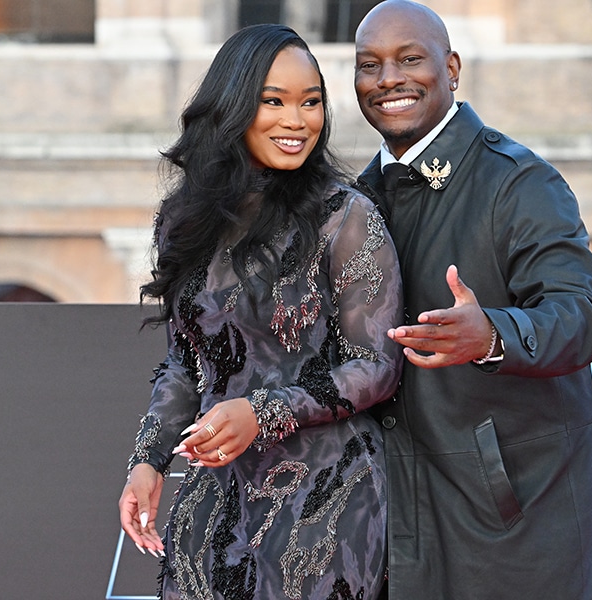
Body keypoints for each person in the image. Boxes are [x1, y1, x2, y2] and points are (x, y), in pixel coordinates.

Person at [118, 24, 403, 600]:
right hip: (217, 495)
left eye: (311, 102)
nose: (297, 121)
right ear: (234, 107)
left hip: (329, 497)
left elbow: (376, 365)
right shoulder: (187, 221)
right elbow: (185, 361)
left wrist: (263, 412)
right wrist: (148, 459)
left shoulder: (346, 217)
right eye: (273, 101)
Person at [352, 2, 592, 598]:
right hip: (395, 520)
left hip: (517, 526)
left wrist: (492, 335)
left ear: (451, 68)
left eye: (409, 59)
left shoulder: (519, 181)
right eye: (369, 64)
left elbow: (582, 314)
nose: (387, 78)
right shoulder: (352, 201)